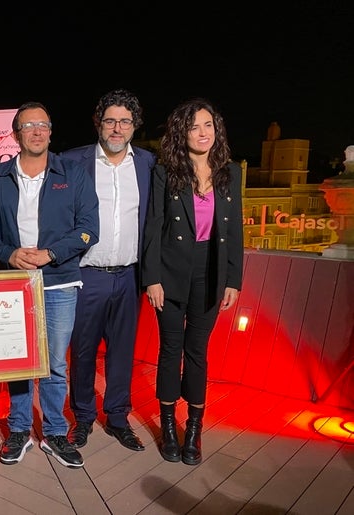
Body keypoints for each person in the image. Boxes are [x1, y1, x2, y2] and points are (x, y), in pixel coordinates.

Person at [0, 102, 99, 469]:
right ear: (16, 134)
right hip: (13, 283)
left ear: (50, 131)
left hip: (59, 283)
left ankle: (55, 433)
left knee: (54, 365)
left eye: (42, 125)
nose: (35, 131)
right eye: (27, 126)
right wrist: (9, 253)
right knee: (18, 362)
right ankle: (19, 429)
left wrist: (50, 253)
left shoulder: (73, 173)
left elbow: (89, 228)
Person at [141, 97, 243, 466]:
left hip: (211, 272)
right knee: (170, 350)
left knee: (197, 351)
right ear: (181, 132)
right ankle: (168, 426)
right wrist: (151, 278)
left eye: (208, 126)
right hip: (169, 272)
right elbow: (153, 226)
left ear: (217, 131)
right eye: (194, 126)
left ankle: (194, 430)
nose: (203, 133)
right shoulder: (165, 171)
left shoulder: (231, 171)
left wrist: (234, 279)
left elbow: (235, 231)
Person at [63, 89, 156, 452]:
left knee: (122, 351)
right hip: (87, 274)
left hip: (131, 276)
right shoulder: (73, 162)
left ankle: (117, 417)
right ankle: (83, 417)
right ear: (98, 124)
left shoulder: (149, 164)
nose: (117, 128)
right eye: (110, 121)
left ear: (134, 126)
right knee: (82, 350)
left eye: (124, 121)